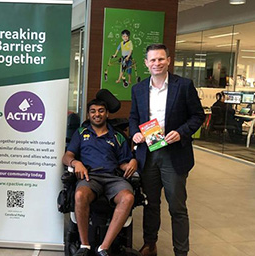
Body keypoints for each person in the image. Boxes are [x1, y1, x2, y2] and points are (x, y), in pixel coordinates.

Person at [129, 44, 205, 256]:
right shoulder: (139, 88)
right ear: (146, 63)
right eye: (152, 60)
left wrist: (181, 132)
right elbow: (134, 117)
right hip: (149, 154)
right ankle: (150, 244)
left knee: (177, 207)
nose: (157, 63)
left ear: (168, 60)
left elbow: (198, 116)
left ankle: (181, 251)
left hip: (174, 154)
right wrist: (135, 132)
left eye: (161, 59)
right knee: (151, 204)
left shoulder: (184, 85)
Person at [62, 99, 138, 256]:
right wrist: (76, 163)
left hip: (113, 178)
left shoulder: (117, 136)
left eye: (101, 110)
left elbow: (124, 163)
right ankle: (85, 246)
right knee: (80, 194)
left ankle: (104, 247)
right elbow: (67, 156)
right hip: (90, 176)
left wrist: (132, 162)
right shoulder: (82, 133)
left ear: (107, 113)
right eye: (93, 111)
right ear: (89, 115)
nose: (97, 114)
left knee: (128, 198)